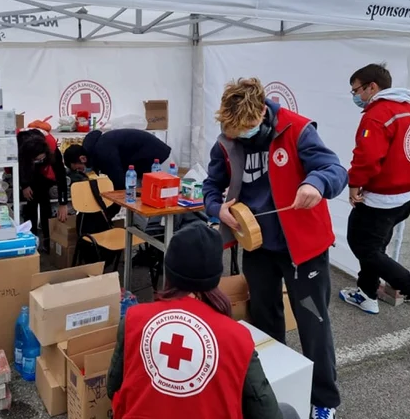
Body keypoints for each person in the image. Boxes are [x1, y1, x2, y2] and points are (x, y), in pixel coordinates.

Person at [202, 77, 347, 419]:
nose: (242, 133)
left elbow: (335, 169)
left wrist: (316, 182)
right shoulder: (227, 140)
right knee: (265, 317)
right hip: (257, 247)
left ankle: (324, 400)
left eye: (248, 127)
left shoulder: (297, 130)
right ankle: (273, 386)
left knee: (313, 322)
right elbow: (212, 184)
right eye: (235, 129)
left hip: (303, 251)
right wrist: (216, 208)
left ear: (262, 112)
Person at [107, 223, 299, 419]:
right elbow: (267, 414)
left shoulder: (134, 319)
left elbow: (111, 388)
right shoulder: (236, 337)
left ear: (169, 269)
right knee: (288, 412)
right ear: (215, 277)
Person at [340, 63, 410, 333]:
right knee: (376, 247)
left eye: (356, 90)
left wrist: (355, 184)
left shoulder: (378, 114)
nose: (355, 96)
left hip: (382, 197)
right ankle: (366, 295)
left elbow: (367, 157)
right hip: (406, 197)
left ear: (371, 87)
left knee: (364, 246)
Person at [65, 128, 172, 219]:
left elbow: (119, 186)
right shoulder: (96, 149)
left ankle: (155, 236)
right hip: (144, 163)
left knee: (151, 207)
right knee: (137, 205)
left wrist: (107, 214)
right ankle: (143, 235)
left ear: (82, 158)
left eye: (78, 168)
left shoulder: (103, 152)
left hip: (159, 162)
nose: (80, 171)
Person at [16, 126, 68, 251]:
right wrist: (25, 185)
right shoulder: (17, 146)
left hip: (43, 173)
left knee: (44, 198)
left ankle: (48, 239)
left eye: (42, 158)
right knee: (30, 201)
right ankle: (30, 238)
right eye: (37, 159)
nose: (40, 161)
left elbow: (61, 174)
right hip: (24, 165)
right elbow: (18, 168)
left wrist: (63, 203)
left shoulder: (51, 146)